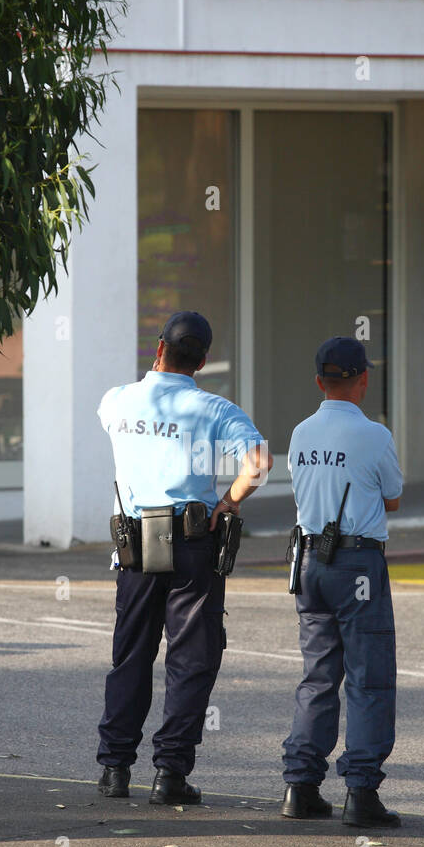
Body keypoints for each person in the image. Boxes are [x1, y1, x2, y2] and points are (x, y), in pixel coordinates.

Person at [96, 311, 272, 806]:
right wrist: (229, 502)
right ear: (204, 359)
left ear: (158, 348)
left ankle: (115, 768)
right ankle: (170, 773)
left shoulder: (117, 400)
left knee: (131, 654)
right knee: (192, 658)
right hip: (194, 540)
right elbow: (258, 462)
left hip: (134, 544)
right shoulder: (215, 407)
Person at [281, 336, 403, 828]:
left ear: (318, 381)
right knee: (369, 678)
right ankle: (361, 791)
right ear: (363, 379)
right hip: (357, 564)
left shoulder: (299, 432)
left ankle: (301, 785)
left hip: (309, 561)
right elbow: (393, 498)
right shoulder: (375, 435)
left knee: (318, 676)